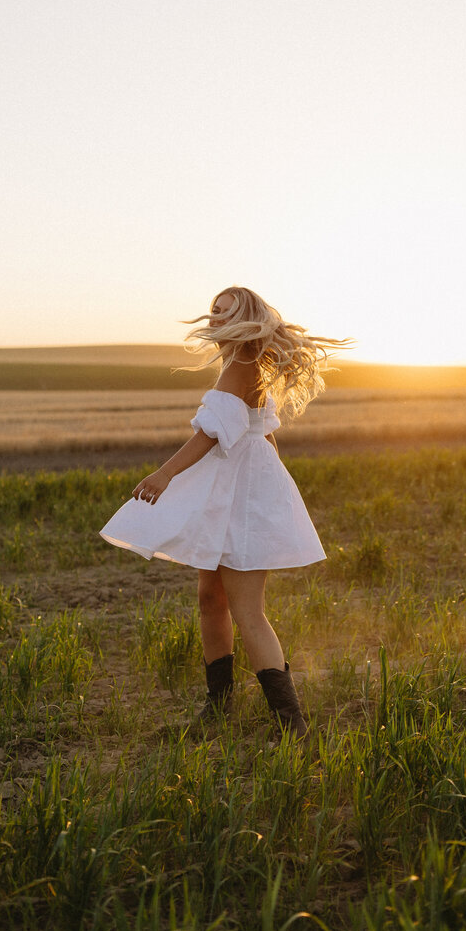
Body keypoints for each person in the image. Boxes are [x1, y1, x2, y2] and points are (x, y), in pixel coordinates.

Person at [99, 286, 350, 737]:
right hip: (232, 493)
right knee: (210, 599)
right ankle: (219, 708)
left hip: (242, 498)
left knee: (247, 609)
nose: (214, 318)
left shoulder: (240, 368)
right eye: (213, 310)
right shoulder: (244, 365)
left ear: (245, 319)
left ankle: (290, 724)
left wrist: (164, 475)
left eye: (225, 312)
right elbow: (263, 435)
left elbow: (211, 435)